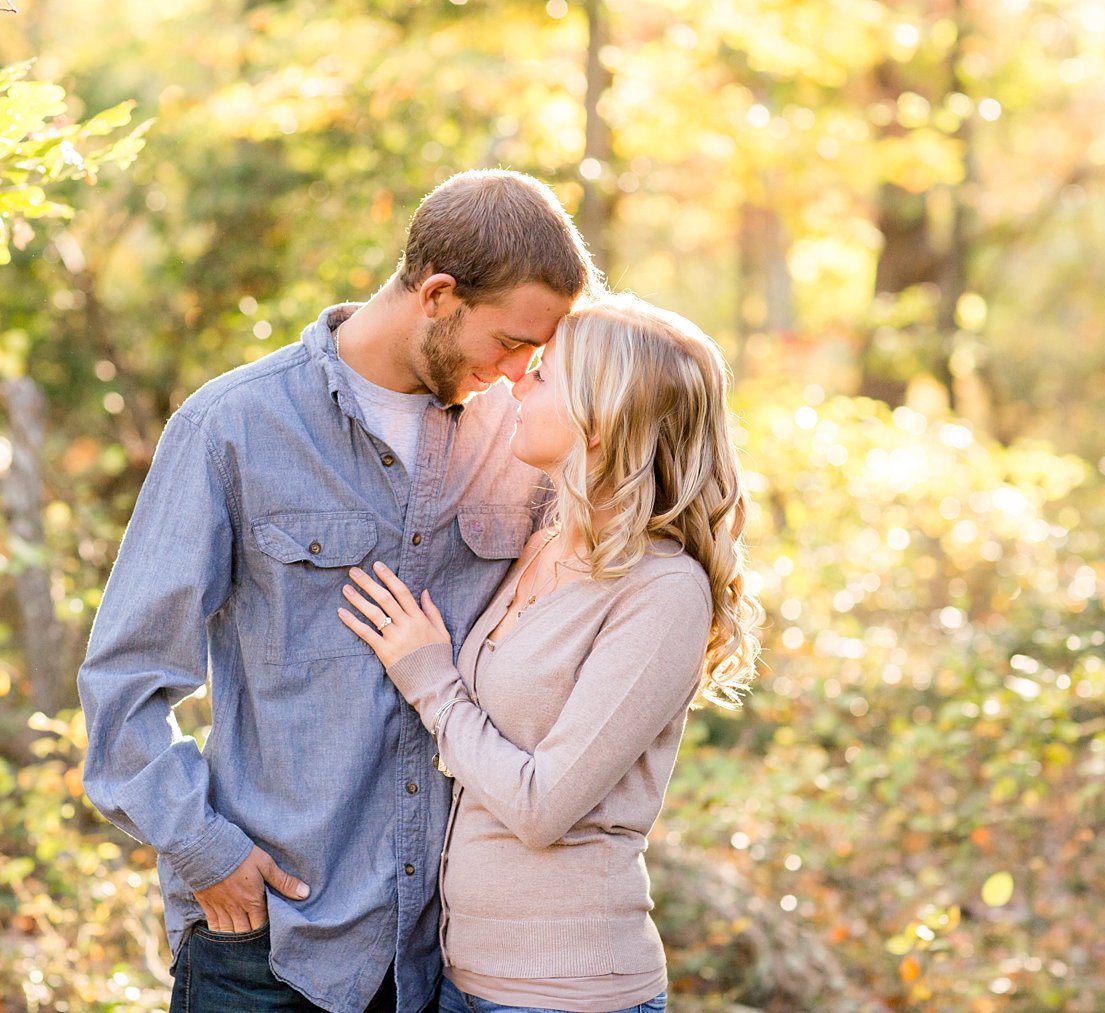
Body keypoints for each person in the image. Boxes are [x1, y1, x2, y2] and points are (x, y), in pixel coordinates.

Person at [77, 169, 602, 1013]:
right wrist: (207, 852)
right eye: (509, 343)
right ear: (438, 294)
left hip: (449, 955)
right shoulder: (233, 427)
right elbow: (125, 684)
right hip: (272, 945)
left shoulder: (522, 439)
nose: (516, 373)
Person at [338, 293, 763, 1013]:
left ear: (600, 419)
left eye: (544, 375)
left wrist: (430, 681)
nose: (516, 382)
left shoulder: (663, 591)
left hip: (567, 994)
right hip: (459, 978)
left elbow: (541, 805)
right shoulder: (545, 542)